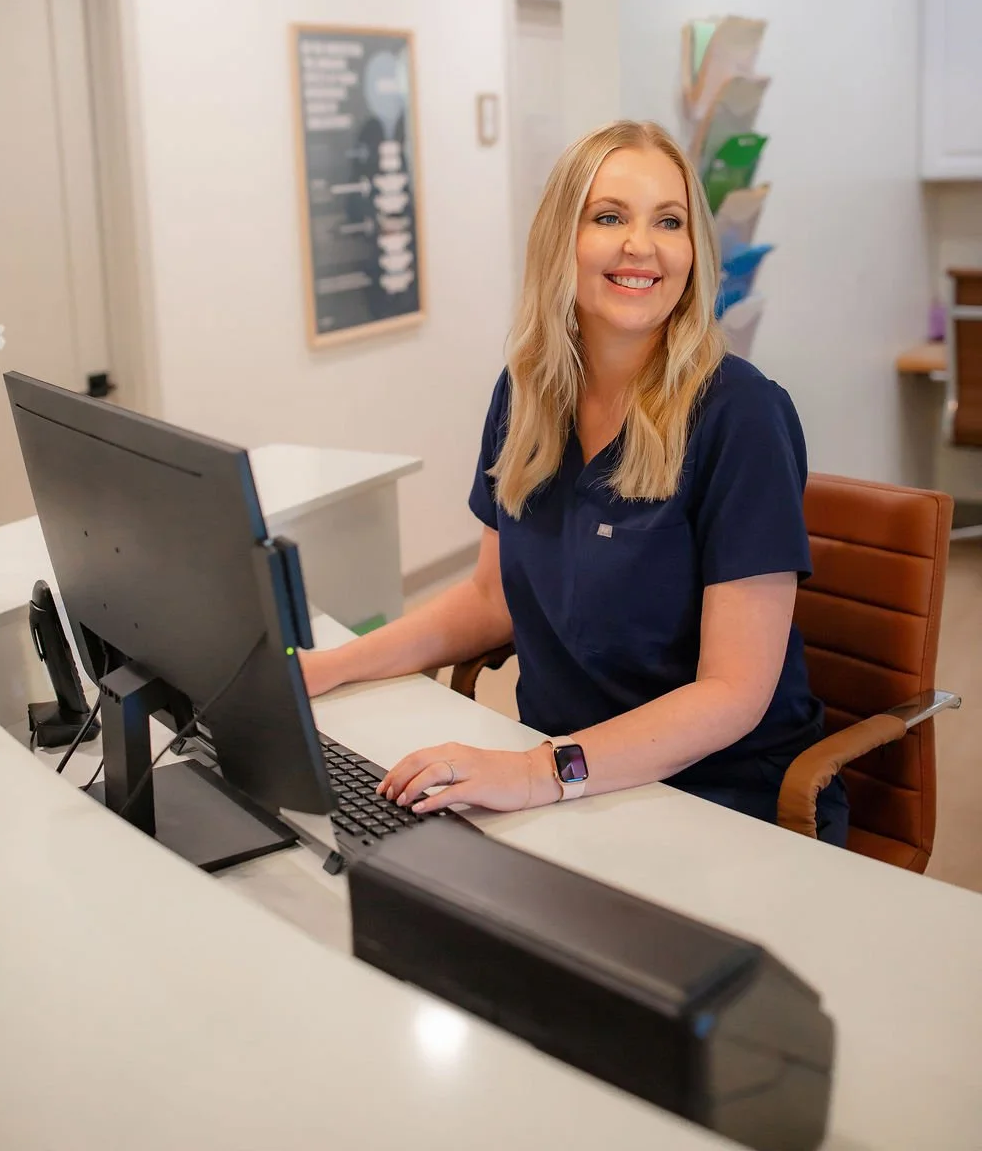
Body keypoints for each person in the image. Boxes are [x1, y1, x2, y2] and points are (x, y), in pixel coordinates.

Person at [301, 119, 848, 846]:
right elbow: (489, 599)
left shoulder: (740, 415)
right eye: (610, 216)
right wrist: (330, 667)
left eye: (670, 221)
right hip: (567, 784)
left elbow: (733, 695)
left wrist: (535, 773)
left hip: (721, 799)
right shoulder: (528, 395)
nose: (640, 246)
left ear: (694, 251)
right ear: (563, 239)